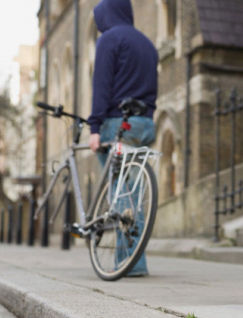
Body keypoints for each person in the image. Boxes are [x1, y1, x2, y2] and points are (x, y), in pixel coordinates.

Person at [88, 0, 159, 277]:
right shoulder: (148, 44)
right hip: (145, 124)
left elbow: (102, 86)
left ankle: (128, 263)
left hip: (118, 124)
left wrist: (95, 127)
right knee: (136, 193)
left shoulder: (109, 39)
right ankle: (135, 261)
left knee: (119, 193)